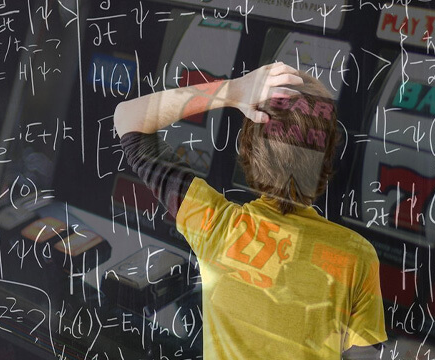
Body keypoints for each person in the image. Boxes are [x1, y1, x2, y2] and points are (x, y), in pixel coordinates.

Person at [114, 63, 387, 359]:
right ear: (329, 159)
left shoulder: (217, 227)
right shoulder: (357, 257)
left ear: (246, 150)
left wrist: (231, 91)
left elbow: (127, 118)